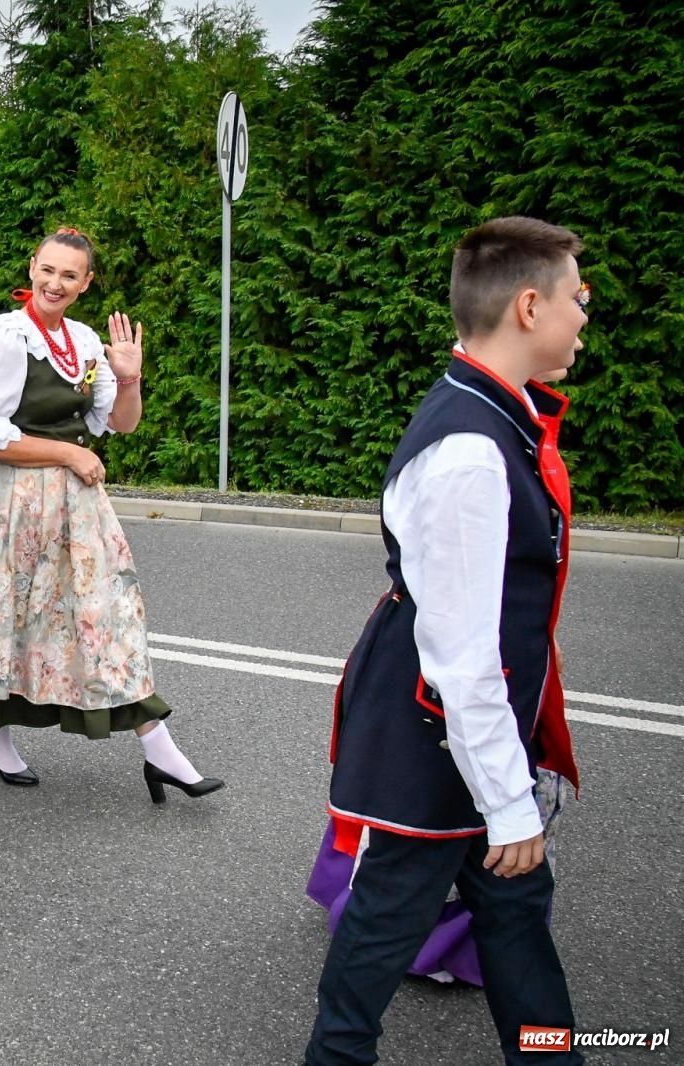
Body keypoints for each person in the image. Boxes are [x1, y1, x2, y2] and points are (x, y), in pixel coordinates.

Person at [304, 217, 587, 1065]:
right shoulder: (471, 448)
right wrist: (506, 798)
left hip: (459, 723)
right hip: (437, 730)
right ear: (530, 307)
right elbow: (463, 653)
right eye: (578, 298)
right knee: (390, 916)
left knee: (513, 909)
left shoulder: (489, 412)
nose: (584, 316)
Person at [0, 228, 221, 801]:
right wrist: (67, 452)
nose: (55, 283)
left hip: (79, 505)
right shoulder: (6, 337)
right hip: (19, 505)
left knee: (108, 615)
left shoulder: (82, 340)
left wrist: (128, 375)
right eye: (47, 270)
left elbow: (121, 423)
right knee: (14, 617)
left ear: (86, 283)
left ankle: (160, 748)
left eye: (69, 275)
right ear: (32, 268)